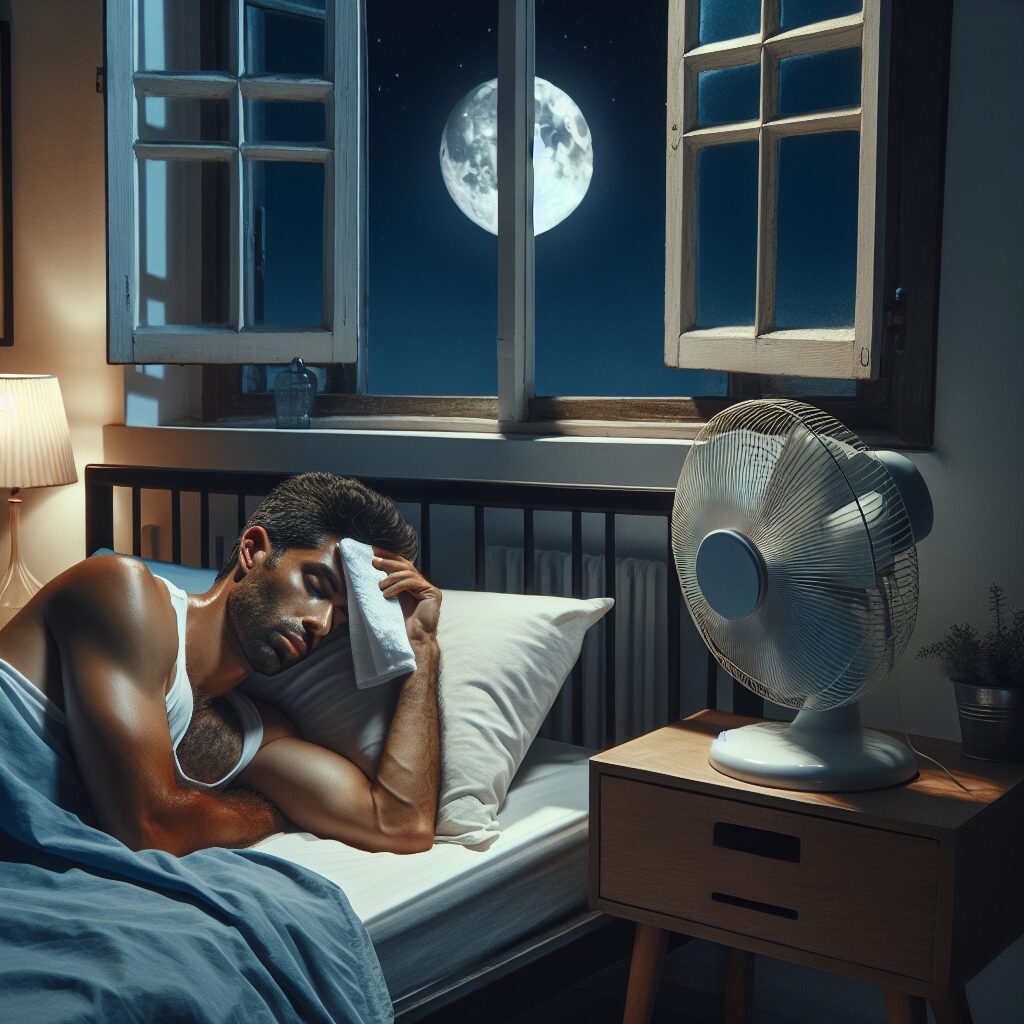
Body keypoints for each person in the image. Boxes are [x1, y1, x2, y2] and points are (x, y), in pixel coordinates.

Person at [0, 472, 441, 857]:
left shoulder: (253, 733)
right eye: (317, 585)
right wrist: (267, 812)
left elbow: (400, 825)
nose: (322, 624)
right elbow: (148, 828)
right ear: (254, 550)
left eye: (343, 618)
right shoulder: (122, 591)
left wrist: (421, 647)